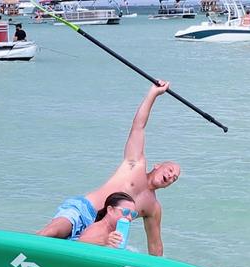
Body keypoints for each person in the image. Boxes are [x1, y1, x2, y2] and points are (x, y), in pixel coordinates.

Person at [37, 80, 180, 256]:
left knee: (104, 250)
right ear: (158, 166)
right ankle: (17, 256)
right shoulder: (135, 164)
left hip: (103, 233)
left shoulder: (153, 207)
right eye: (171, 170)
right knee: (50, 234)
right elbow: (138, 127)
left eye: (175, 178)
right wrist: (153, 94)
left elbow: (155, 246)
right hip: (84, 211)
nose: (171, 176)